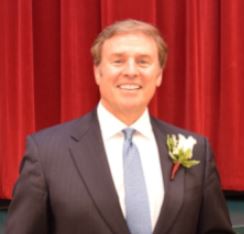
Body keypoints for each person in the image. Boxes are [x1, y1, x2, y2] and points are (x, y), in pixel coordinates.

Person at [5, 19, 234, 234]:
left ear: (159, 75)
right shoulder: (46, 152)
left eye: (143, 62)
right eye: (118, 61)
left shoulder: (197, 150)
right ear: (97, 72)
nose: (131, 71)